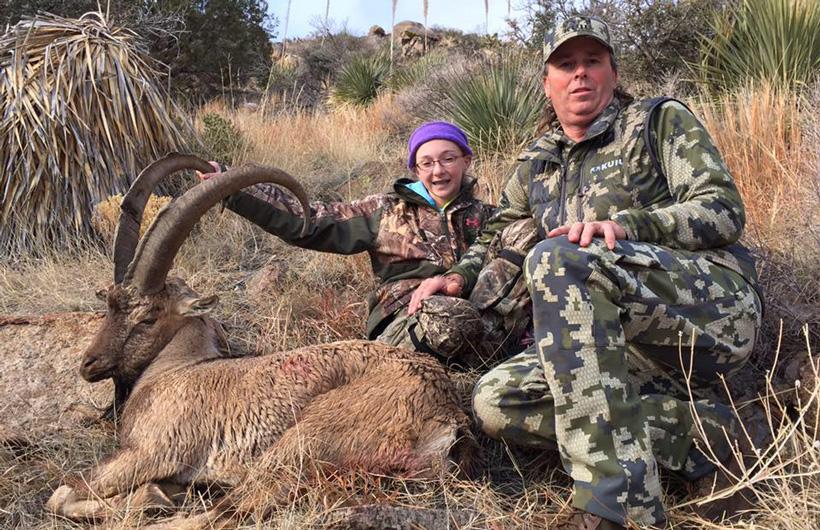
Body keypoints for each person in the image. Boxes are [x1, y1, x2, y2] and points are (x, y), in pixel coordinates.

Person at [408, 16, 763, 530]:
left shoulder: (655, 121)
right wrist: (458, 277)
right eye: (566, 65)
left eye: (592, 62)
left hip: (708, 313)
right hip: (611, 343)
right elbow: (496, 235)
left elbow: (723, 209)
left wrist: (626, 225)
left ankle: (618, 506)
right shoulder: (536, 163)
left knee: (558, 258)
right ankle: (709, 434)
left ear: (613, 74)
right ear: (546, 83)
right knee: (496, 402)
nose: (580, 75)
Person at [198, 121, 497, 365]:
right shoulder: (386, 211)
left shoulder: (489, 216)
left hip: (472, 315)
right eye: (427, 163)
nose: (438, 171)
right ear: (415, 170)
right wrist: (231, 186)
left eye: (448, 159)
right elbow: (311, 221)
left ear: (466, 161)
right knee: (448, 322)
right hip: (409, 319)